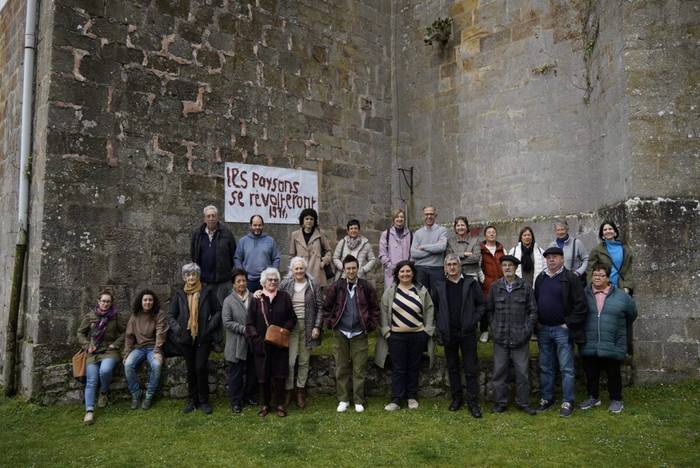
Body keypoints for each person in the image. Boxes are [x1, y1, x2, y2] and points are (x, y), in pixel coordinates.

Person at [375, 260, 435, 412]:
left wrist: (427, 331)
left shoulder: (421, 290)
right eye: (402, 271)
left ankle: (411, 397)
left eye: (408, 271)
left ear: (413, 273)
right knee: (398, 368)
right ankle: (396, 399)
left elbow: (429, 309)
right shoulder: (390, 291)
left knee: (413, 367)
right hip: (396, 337)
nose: (405, 274)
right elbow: (383, 311)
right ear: (397, 274)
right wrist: (387, 332)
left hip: (417, 335)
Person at [534, 247, 587, 417]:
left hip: (562, 330)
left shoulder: (570, 278)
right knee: (545, 367)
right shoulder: (541, 278)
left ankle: (568, 400)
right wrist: (538, 323)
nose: (551, 260)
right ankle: (547, 398)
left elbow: (581, 305)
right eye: (548, 257)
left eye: (555, 257)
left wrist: (568, 323)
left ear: (562, 259)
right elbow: (535, 302)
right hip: (544, 330)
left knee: (566, 368)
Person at [323, 255, 379, 413]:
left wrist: (371, 325)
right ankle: (343, 399)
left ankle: (359, 400)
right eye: (348, 268)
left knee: (359, 368)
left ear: (358, 268)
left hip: (359, 332)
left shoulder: (366, 287)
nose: (351, 271)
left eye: (354, 268)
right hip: (340, 332)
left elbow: (375, 308)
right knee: (341, 367)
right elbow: (327, 308)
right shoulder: (336, 287)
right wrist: (330, 323)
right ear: (344, 269)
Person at [579, 263, 637, 414]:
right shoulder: (583, 294)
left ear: (608, 277)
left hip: (612, 340)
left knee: (613, 373)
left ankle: (616, 399)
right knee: (591, 372)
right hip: (590, 340)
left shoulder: (621, 296)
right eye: (595, 275)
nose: (597, 278)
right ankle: (593, 397)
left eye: (601, 275)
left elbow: (632, 314)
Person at [434, 254, 484, 417]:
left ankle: (473, 402)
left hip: (467, 333)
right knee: (453, 367)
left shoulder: (470, 283)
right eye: (449, 264)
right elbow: (434, 309)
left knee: (470, 369)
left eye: (455, 264)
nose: (452, 267)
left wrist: (473, 320)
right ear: (445, 268)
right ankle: (456, 399)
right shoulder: (440, 286)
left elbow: (481, 306)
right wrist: (439, 326)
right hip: (449, 333)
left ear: (460, 266)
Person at [168, 263, 222, 415]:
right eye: (188, 275)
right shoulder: (180, 294)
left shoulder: (207, 291)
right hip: (185, 338)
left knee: (200, 368)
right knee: (191, 370)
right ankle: (192, 400)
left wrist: (210, 326)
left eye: (194, 274)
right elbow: (171, 315)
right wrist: (177, 329)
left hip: (203, 337)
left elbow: (217, 311)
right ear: (184, 277)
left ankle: (204, 401)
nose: (191, 277)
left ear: (198, 276)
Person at [487, 256, 537, 415]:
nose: (507, 268)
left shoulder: (525, 287)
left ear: (516, 268)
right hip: (500, 337)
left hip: (520, 338)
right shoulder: (495, 287)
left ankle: (523, 402)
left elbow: (532, 311)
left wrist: (527, 330)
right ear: (501, 268)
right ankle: (500, 403)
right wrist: (494, 328)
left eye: (510, 265)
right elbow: (490, 311)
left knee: (522, 373)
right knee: (499, 372)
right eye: (504, 265)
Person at [246, 268, 297, 417]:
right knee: (263, 375)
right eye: (270, 279)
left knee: (280, 374)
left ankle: (280, 404)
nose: (273, 282)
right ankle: (264, 405)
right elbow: (249, 324)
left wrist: (284, 330)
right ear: (263, 282)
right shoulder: (256, 299)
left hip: (280, 344)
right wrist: (256, 340)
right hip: (261, 345)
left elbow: (292, 318)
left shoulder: (284, 297)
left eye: (275, 279)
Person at [77, 289, 127, 425]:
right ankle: (89, 411)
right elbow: (80, 333)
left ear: (111, 303)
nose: (105, 304)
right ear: (98, 302)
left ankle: (104, 392)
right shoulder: (90, 316)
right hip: (93, 352)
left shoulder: (116, 316)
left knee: (105, 370)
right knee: (92, 379)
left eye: (108, 302)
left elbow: (125, 332)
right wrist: (87, 345)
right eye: (103, 301)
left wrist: (115, 344)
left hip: (110, 352)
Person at [279, 256, 323, 409]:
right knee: (290, 362)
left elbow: (320, 307)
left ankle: (300, 392)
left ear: (305, 269)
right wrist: (259, 292)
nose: (299, 271)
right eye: (296, 268)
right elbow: (272, 296)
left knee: (304, 361)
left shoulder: (313, 285)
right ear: (292, 270)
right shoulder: (285, 285)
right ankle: (288, 392)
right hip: (290, 326)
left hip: (308, 325)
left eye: (301, 268)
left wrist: (317, 326)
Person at [123, 289, 168, 411]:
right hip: (138, 348)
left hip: (153, 348)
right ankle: (136, 394)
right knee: (128, 365)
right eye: (145, 300)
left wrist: (158, 351)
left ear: (154, 301)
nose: (148, 302)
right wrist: (126, 353)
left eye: (150, 300)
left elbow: (161, 333)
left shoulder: (159, 314)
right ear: (141, 301)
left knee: (157, 365)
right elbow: (129, 336)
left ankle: (149, 395)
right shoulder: (135, 316)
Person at [222, 268, 258, 413]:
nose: (242, 283)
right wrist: (244, 329)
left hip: (252, 342)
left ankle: (249, 395)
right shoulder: (228, 301)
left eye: (244, 280)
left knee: (252, 371)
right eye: (238, 281)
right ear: (233, 284)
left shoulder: (254, 298)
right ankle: (235, 401)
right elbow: (227, 322)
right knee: (235, 374)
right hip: (236, 343)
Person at [190, 205, 237, 305]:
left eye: (213, 216)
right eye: (208, 216)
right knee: (205, 310)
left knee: (221, 309)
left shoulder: (227, 234)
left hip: (222, 282)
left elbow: (233, 255)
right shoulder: (198, 234)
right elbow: (193, 255)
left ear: (217, 217)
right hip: (203, 281)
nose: (211, 218)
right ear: (204, 218)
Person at [410, 206, 448, 307]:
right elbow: (414, 253)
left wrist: (422, 247)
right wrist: (433, 250)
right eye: (426, 214)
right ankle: (423, 321)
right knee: (420, 297)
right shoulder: (417, 233)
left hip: (437, 268)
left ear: (435, 215)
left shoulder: (442, 230)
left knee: (438, 297)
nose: (429, 216)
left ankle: (437, 321)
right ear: (423, 216)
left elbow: (442, 247)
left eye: (431, 214)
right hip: (420, 269)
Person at [234, 215, 281, 292]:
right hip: (249, 281)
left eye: (259, 225)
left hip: (266, 281)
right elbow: (237, 258)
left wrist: (272, 274)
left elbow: (276, 258)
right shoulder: (243, 241)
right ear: (250, 226)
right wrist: (242, 273)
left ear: (263, 226)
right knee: (249, 303)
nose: (257, 227)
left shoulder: (270, 241)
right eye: (255, 225)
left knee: (266, 303)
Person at [289, 208, 333, 288]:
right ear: (302, 220)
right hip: (301, 272)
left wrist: (324, 261)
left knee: (317, 299)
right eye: (307, 219)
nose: (309, 221)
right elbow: (292, 254)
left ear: (314, 221)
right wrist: (294, 269)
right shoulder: (295, 235)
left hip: (317, 271)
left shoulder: (320, 234)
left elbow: (328, 251)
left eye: (311, 219)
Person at [587, 221, 634, 295]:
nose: (608, 231)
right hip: (603, 288)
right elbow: (590, 270)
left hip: (621, 288)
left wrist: (627, 287)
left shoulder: (625, 249)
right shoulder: (597, 250)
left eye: (610, 229)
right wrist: (593, 287)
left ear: (615, 232)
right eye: (605, 230)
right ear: (602, 235)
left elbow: (628, 270)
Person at [479, 225, 505, 342]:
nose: (491, 234)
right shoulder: (480, 249)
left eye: (493, 232)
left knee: (499, 307)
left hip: (500, 283)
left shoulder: (501, 249)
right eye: (489, 232)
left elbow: (506, 265)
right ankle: (484, 331)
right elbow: (477, 265)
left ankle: (498, 330)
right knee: (485, 307)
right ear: (485, 235)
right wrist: (483, 279)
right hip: (486, 284)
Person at [378, 208, 412, 287]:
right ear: (393, 219)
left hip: (406, 273)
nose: (399, 219)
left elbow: (412, 253)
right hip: (391, 273)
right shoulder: (386, 234)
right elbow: (382, 254)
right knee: (391, 296)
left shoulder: (410, 234)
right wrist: (392, 267)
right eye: (397, 217)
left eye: (401, 217)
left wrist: (407, 267)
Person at [550, 219, 588, 285]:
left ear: (567, 229)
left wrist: (578, 273)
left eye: (562, 229)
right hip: (558, 281)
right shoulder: (552, 245)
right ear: (555, 231)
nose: (560, 232)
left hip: (575, 281)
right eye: (558, 230)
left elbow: (586, 259)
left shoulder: (576, 243)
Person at [446, 216, 482, 281]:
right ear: (455, 228)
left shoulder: (475, 240)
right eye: (458, 225)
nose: (460, 227)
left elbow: (476, 258)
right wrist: (463, 254)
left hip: (472, 273)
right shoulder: (450, 241)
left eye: (462, 225)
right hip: (455, 274)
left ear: (467, 227)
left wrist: (456, 260)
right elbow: (448, 257)